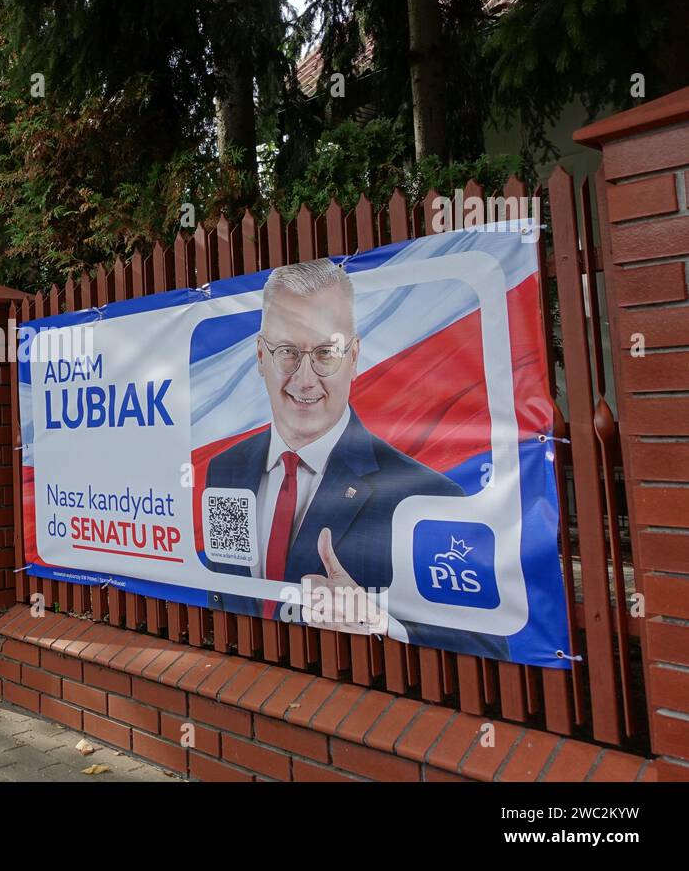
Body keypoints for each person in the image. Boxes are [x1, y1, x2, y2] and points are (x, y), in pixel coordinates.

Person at [203, 258, 507, 657]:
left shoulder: (429, 493)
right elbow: (226, 592)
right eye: (287, 352)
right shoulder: (225, 469)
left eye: (326, 352)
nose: (305, 378)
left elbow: (488, 643)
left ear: (354, 356)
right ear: (261, 357)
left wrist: (380, 621)